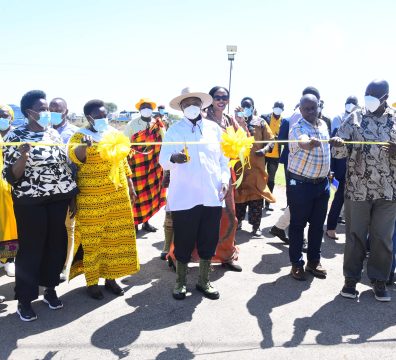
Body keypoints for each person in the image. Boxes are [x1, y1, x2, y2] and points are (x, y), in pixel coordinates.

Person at [2, 90, 78, 321]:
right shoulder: (15, 136)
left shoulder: (53, 134)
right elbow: (11, 176)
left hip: (58, 198)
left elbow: (64, 166)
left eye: (48, 109)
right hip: (30, 202)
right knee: (31, 249)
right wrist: (23, 155)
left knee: (56, 244)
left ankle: (50, 289)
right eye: (43, 109)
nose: (47, 113)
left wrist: (72, 194)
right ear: (29, 112)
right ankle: (25, 300)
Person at [159, 88, 230, 300]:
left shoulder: (214, 130)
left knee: (209, 239)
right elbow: (163, 160)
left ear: (201, 105)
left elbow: (223, 160)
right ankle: (181, 282)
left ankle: (203, 280)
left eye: (194, 103)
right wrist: (173, 158)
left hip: (211, 194)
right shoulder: (174, 131)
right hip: (185, 197)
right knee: (184, 241)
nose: (190, 107)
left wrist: (224, 181)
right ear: (181, 108)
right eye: (186, 103)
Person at [68, 99, 140, 300]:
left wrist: (131, 187)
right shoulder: (80, 135)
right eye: (98, 116)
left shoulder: (114, 134)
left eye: (104, 116)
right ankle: (92, 282)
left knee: (115, 239)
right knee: (93, 240)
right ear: (88, 117)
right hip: (92, 198)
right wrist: (84, 146)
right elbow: (75, 158)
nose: (102, 119)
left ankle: (111, 278)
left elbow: (123, 160)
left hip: (118, 194)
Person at [332, 79, 396, 302]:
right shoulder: (355, 117)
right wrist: (338, 144)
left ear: (385, 98)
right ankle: (351, 280)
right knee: (355, 235)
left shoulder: (395, 120)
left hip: (388, 192)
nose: (368, 98)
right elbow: (339, 153)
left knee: (382, 238)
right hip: (357, 189)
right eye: (366, 94)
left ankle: (379, 281)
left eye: (374, 95)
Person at [288, 94, 333, 281]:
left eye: (313, 108)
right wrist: (308, 143)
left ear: (319, 107)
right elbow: (302, 142)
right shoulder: (297, 128)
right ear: (300, 110)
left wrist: (335, 141)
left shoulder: (323, 126)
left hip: (322, 185)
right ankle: (297, 264)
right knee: (298, 225)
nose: (310, 112)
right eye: (306, 109)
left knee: (317, 226)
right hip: (301, 185)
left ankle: (313, 261)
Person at [124, 98, 166, 232]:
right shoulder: (132, 124)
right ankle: (134, 223)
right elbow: (125, 143)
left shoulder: (157, 124)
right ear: (139, 110)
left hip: (153, 164)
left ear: (152, 109)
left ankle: (146, 222)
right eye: (143, 107)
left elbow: (164, 141)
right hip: (137, 164)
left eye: (148, 106)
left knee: (150, 193)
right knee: (136, 193)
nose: (146, 109)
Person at [234, 97, 275, 236]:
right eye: (243, 106)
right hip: (240, 167)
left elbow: (272, 140)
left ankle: (256, 227)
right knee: (239, 196)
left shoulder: (261, 122)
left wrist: (264, 150)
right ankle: (237, 222)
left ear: (253, 107)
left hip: (257, 168)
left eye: (248, 106)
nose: (246, 108)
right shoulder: (235, 122)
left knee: (257, 198)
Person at [49, 98, 79, 281]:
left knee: (69, 227)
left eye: (56, 110)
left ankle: (64, 266)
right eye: (50, 109)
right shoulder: (44, 131)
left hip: (67, 186)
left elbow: (75, 164)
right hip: (47, 188)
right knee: (52, 228)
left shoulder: (73, 133)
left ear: (66, 112)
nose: (52, 113)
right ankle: (51, 262)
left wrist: (72, 194)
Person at [325, 96, 359, 240]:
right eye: (348, 103)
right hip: (341, 165)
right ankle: (331, 227)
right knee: (339, 196)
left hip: (358, 166)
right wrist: (331, 170)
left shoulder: (360, 119)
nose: (350, 106)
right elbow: (334, 145)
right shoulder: (338, 119)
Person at [0, 105, 18, 278]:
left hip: (14, 189)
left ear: (11, 117)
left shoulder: (18, 136)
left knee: (11, 227)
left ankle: (9, 260)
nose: (1, 119)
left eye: (4, 116)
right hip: (1, 191)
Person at [261, 101, 284, 211]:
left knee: (271, 179)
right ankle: (258, 200)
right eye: (276, 107)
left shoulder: (284, 121)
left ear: (282, 110)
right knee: (260, 176)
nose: (278, 109)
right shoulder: (264, 117)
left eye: (280, 107)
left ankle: (268, 202)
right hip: (263, 152)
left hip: (275, 155)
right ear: (273, 107)